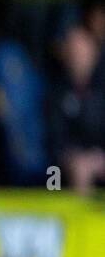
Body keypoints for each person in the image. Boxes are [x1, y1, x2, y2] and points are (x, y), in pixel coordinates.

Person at [47, 25, 105, 195]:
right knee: (80, 167)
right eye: (73, 51)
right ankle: (80, 220)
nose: (78, 57)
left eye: (83, 52)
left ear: (94, 54)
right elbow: (55, 142)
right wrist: (78, 156)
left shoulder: (100, 91)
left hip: (99, 155)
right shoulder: (55, 94)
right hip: (61, 164)